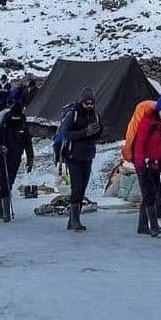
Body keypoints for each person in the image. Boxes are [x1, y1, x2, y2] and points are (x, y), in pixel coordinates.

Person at [131, 91, 161, 238]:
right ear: (158, 109)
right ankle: (154, 227)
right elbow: (140, 144)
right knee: (149, 194)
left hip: (155, 164)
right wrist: (140, 163)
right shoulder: (147, 122)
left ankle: (143, 226)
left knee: (153, 192)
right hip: (143, 164)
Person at [56, 88, 103, 233]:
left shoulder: (95, 114)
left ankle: (72, 220)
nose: (89, 106)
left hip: (87, 156)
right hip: (73, 156)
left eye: (91, 103)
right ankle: (75, 221)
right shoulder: (73, 114)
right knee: (76, 188)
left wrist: (98, 131)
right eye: (86, 103)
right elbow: (65, 133)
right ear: (81, 102)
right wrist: (85, 132)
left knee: (82, 190)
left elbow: (98, 134)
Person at [0, 97, 34, 222]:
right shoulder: (4, 125)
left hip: (16, 158)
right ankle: (6, 213)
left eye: (18, 118)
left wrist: (30, 158)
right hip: (3, 158)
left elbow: (28, 143)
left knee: (10, 183)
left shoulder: (23, 125)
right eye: (14, 117)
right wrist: (0, 147)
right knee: (5, 183)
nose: (16, 120)